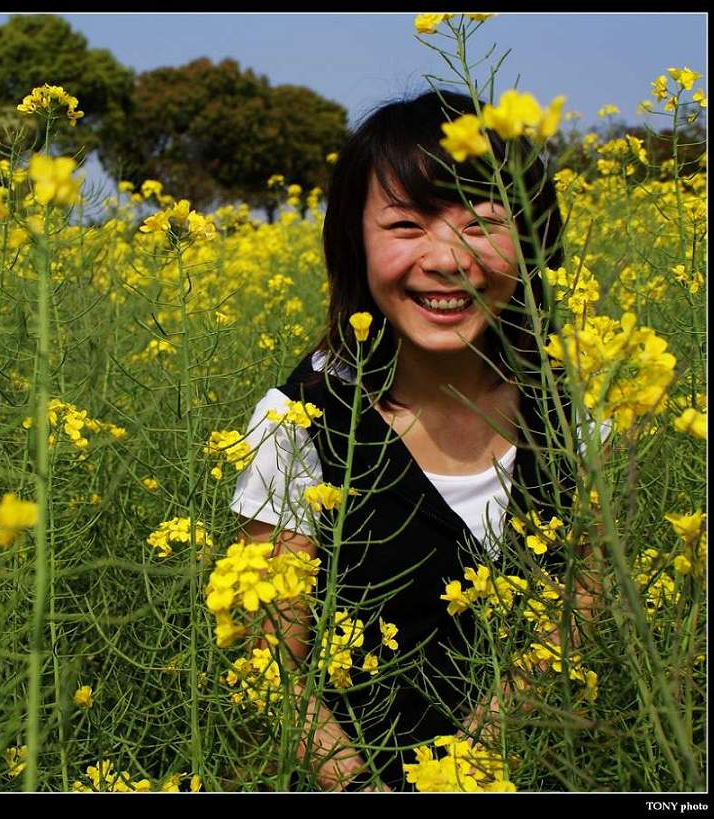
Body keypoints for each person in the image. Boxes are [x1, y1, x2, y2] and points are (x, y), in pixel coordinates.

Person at [230, 88, 578, 791]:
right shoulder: (298, 419)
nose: (448, 260)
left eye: (483, 222)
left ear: (536, 239)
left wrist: (468, 764)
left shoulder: (582, 414)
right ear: (354, 242)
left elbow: (575, 618)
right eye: (407, 224)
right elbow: (269, 665)